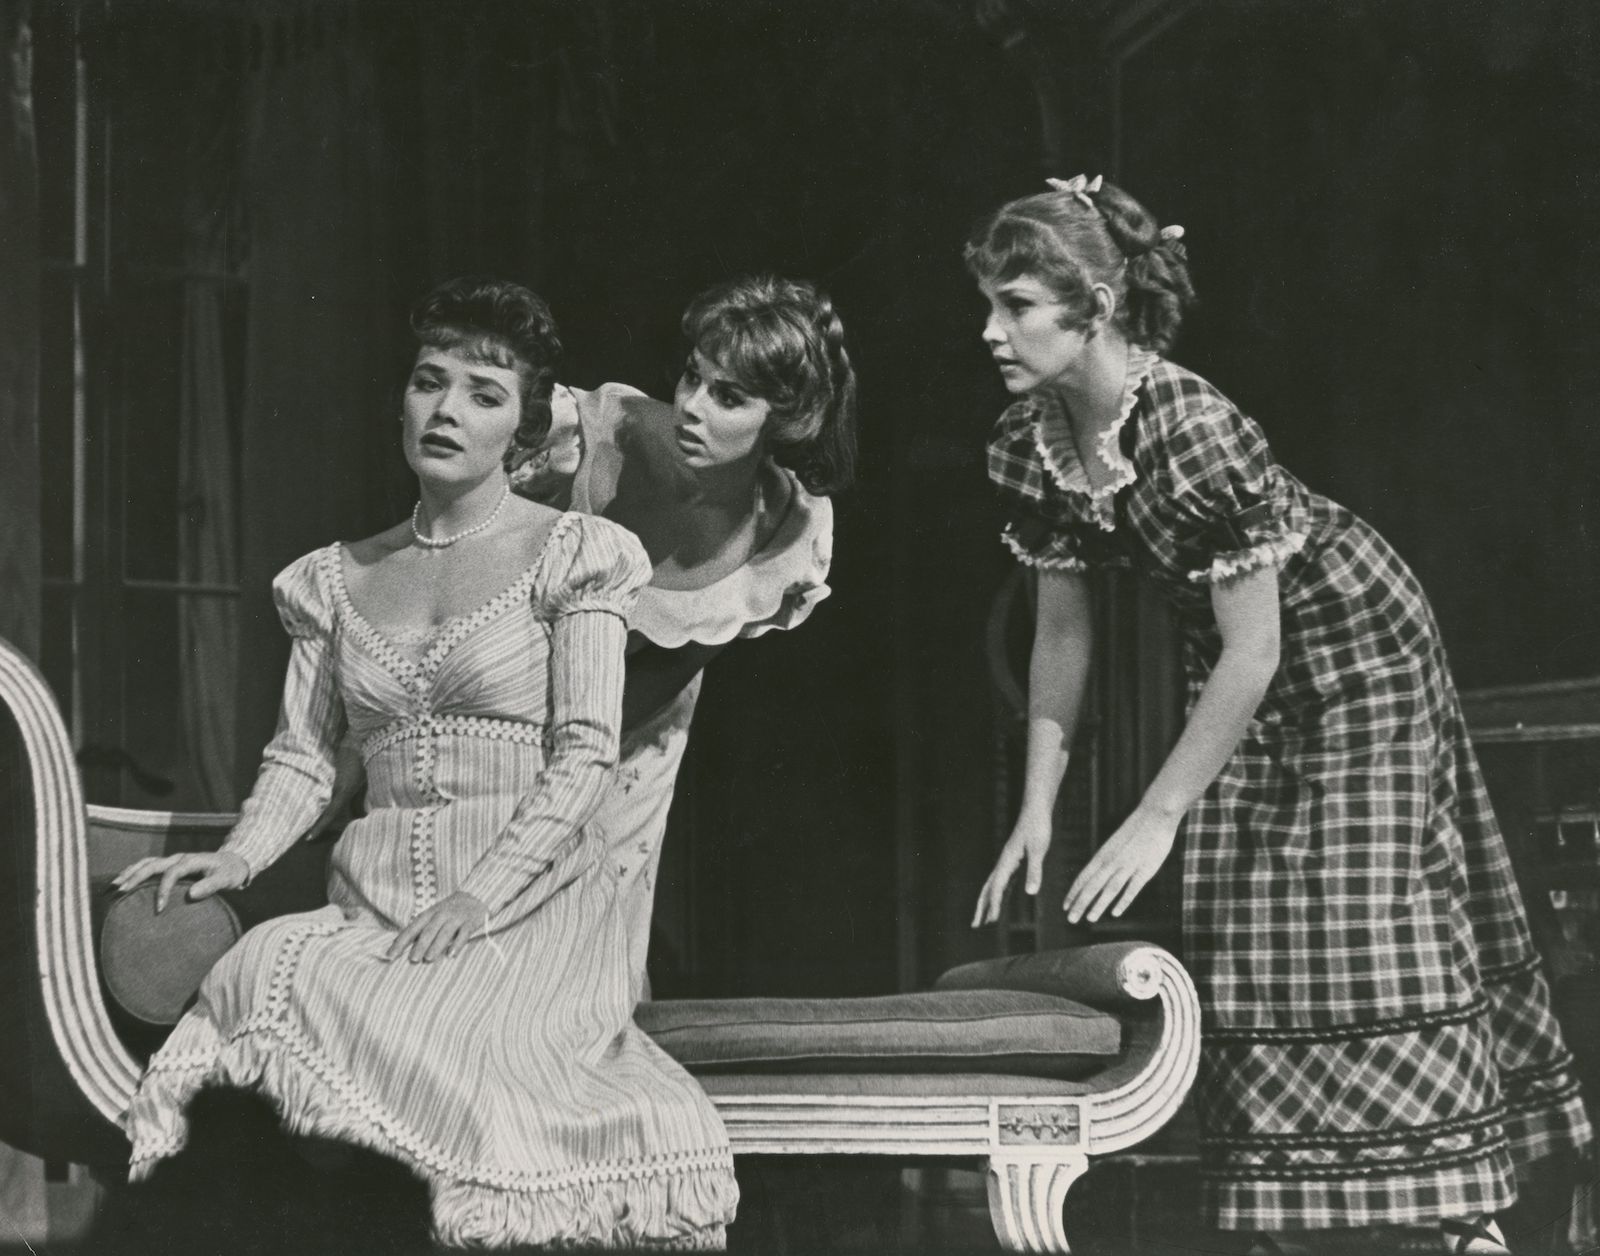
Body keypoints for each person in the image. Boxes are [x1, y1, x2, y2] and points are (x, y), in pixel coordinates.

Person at [966, 175, 1591, 1255]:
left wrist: (1158, 811)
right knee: (1254, 922)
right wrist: (1036, 805)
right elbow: (1062, 634)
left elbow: (1261, 644)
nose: (990, 329)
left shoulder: (1196, 429)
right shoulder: (1031, 442)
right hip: (1238, 663)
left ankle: (1455, 1215)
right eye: (988, 301)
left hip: (1355, 647)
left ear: (1096, 307)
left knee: (1362, 910)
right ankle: (1307, 1224)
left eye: (1016, 302)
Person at [112, 277, 738, 1250]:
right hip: (377, 904)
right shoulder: (336, 576)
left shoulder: (577, 553)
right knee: (266, 964)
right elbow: (304, 756)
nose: (445, 410)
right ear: (401, 400)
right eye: (427, 382)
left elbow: (584, 756)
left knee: (427, 1030)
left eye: (483, 393)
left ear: (520, 429)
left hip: (527, 909)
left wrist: (479, 897)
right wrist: (234, 858)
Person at [509, 274, 855, 1001]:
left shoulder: (784, 531)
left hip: (633, 734)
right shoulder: (592, 433)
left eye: (729, 397)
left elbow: (673, 667)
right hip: (503, 693)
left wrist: (571, 769)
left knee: (593, 960)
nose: (692, 407)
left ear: (785, 419)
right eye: (693, 377)